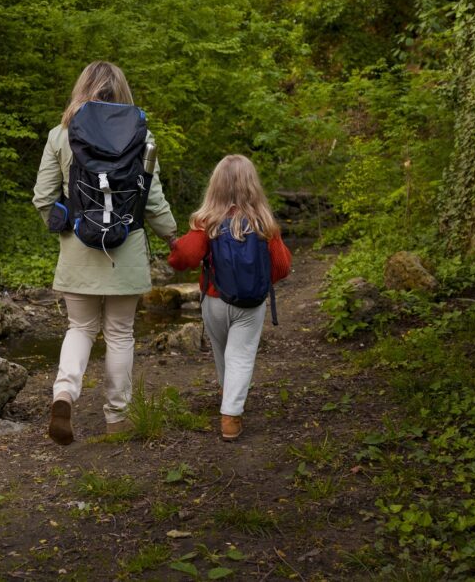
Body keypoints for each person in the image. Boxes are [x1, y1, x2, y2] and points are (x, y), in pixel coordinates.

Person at [33, 61, 177, 446]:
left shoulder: (61, 135)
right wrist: (173, 238)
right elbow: (153, 200)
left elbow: (43, 198)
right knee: (119, 334)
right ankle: (117, 418)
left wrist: (68, 227)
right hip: (126, 251)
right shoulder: (142, 138)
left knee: (80, 328)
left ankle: (63, 394)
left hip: (78, 250)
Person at [168, 154, 291, 441]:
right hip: (250, 304)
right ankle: (231, 417)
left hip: (214, 299)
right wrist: (256, 281)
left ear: (216, 186)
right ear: (253, 186)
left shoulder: (206, 222)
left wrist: (174, 254)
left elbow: (185, 257)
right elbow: (282, 267)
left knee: (222, 351)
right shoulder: (264, 224)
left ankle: (227, 393)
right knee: (241, 355)